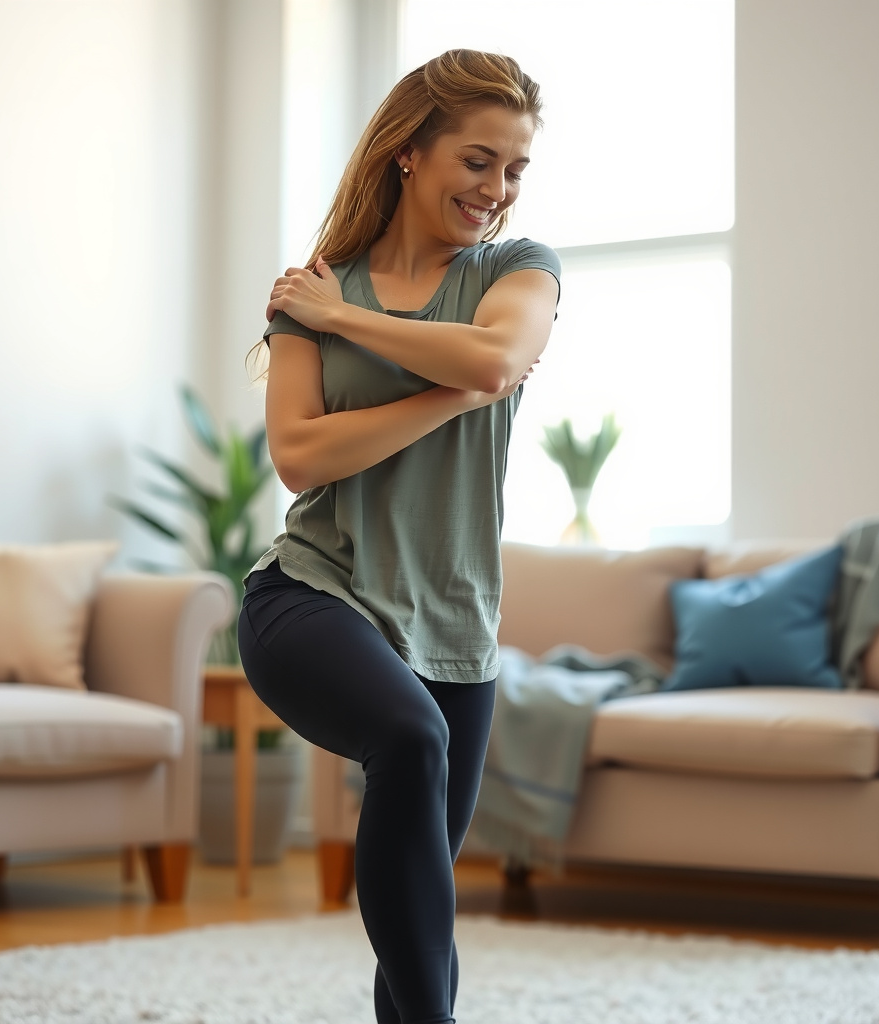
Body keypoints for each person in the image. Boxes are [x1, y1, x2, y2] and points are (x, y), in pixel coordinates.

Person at [237, 49, 561, 1024]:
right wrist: (444, 390)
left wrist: (356, 327)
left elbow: (500, 354)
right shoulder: (312, 291)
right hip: (310, 595)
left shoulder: (517, 268)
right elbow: (298, 454)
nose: (495, 189)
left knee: (418, 879)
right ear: (409, 153)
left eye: (512, 169)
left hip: (453, 628)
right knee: (408, 737)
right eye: (476, 160)